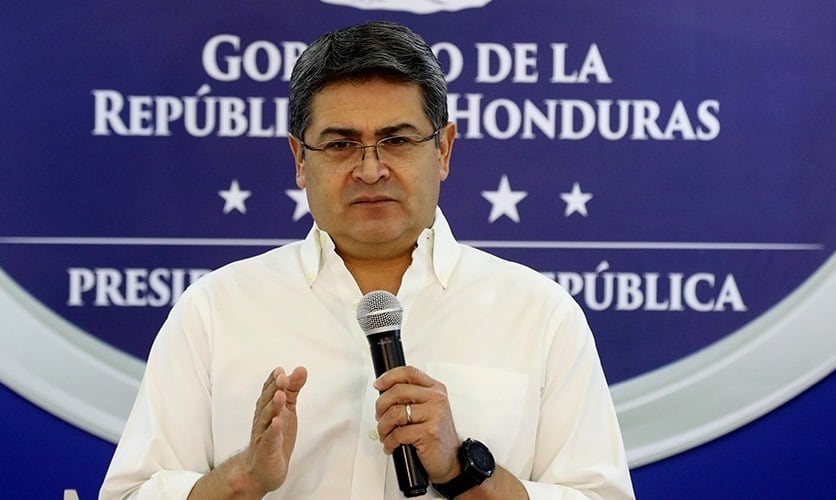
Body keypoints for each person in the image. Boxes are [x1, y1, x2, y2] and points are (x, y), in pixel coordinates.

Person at [100, 21, 634, 499]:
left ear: (443, 150)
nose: (371, 169)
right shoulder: (216, 310)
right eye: (340, 145)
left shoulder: (539, 314)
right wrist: (243, 477)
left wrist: (464, 470)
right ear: (299, 159)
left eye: (397, 140)